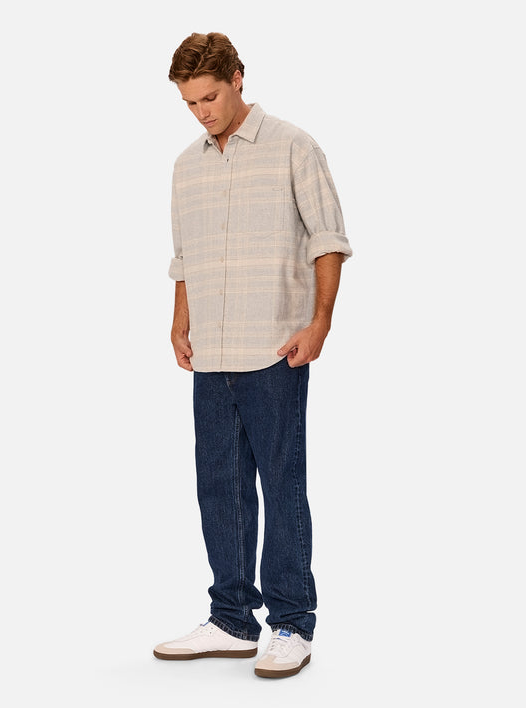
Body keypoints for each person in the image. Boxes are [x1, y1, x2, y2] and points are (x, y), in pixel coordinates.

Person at [153, 32, 352, 679]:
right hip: (210, 353)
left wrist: (320, 322)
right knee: (219, 487)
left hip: (274, 347)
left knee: (281, 482)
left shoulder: (293, 146)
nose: (201, 112)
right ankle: (232, 619)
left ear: (237, 78)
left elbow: (328, 239)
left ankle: (292, 623)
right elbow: (184, 257)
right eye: (190, 103)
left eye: (209, 97)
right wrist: (179, 321)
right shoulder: (186, 166)